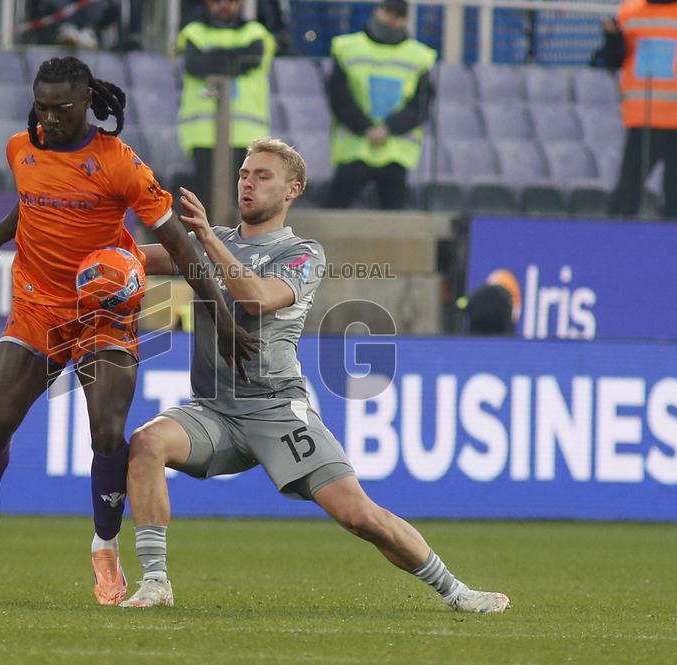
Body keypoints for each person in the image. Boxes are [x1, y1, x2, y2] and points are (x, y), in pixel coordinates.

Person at [119, 137, 510, 614]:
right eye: (245, 173)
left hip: (278, 410)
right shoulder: (214, 241)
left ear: (292, 190)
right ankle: (156, 582)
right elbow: (131, 256)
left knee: (360, 517)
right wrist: (73, 239)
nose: (248, 182)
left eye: (263, 176)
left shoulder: (302, 254)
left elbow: (257, 298)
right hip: (214, 410)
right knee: (146, 443)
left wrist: (204, 240)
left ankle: (456, 591)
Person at [0, 56, 257, 606]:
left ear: (88, 100)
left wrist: (224, 317)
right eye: (41, 107)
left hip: (105, 312)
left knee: (108, 434)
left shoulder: (120, 165)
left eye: (62, 108)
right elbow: (31, 201)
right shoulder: (21, 146)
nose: (50, 118)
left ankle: (105, 546)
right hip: (38, 307)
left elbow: (182, 246)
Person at [593, 0, 677, 219]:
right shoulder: (631, 11)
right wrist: (613, 38)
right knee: (627, 192)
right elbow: (613, 60)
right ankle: (616, 244)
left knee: (675, 194)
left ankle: (672, 246)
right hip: (643, 119)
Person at [324, 0, 436, 210]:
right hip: (355, 148)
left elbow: (420, 106)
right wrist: (366, 127)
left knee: (393, 223)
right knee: (334, 214)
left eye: (397, 14)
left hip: (396, 152)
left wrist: (389, 128)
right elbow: (339, 96)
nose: (390, 19)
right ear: (377, 11)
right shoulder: (347, 48)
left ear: (404, 19)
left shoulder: (420, 56)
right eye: (387, 11)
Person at [178, 0, 276, 216]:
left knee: (244, 202)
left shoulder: (256, 32)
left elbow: (252, 58)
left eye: (230, 1)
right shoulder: (193, 32)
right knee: (206, 204)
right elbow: (196, 65)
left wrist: (212, 56)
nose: (224, 5)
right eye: (216, 1)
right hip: (204, 134)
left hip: (247, 136)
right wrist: (235, 56)